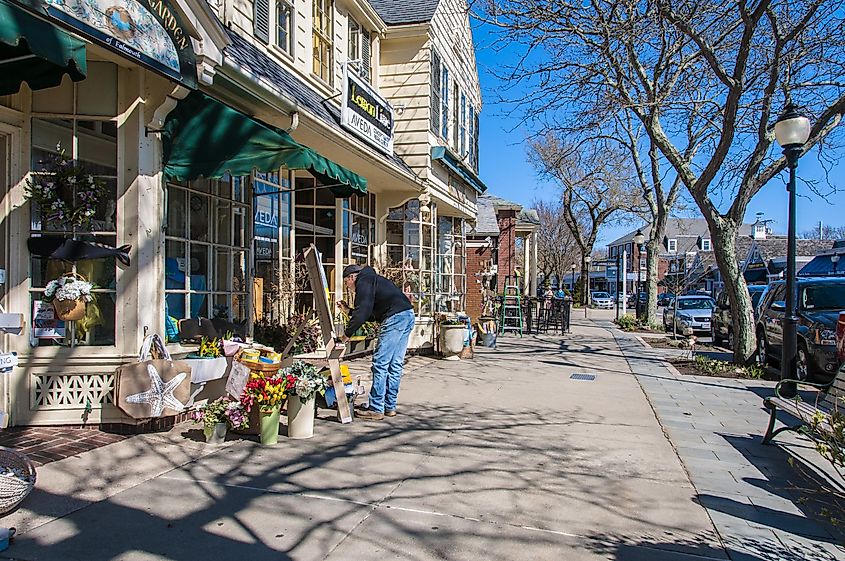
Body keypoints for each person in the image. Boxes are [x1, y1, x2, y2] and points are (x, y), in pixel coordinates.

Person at [341, 264, 415, 421]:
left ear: (351, 277)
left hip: (394, 318)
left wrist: (346, 336)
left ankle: (376, 408)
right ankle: (389, 407)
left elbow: (363, 312)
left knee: (380, 364)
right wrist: (349, 311)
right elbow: (370, 315)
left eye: (346, 282)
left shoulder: (364, 281)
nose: (348, 287)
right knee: (395, 364)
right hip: (407, 315)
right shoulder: (373, 280)